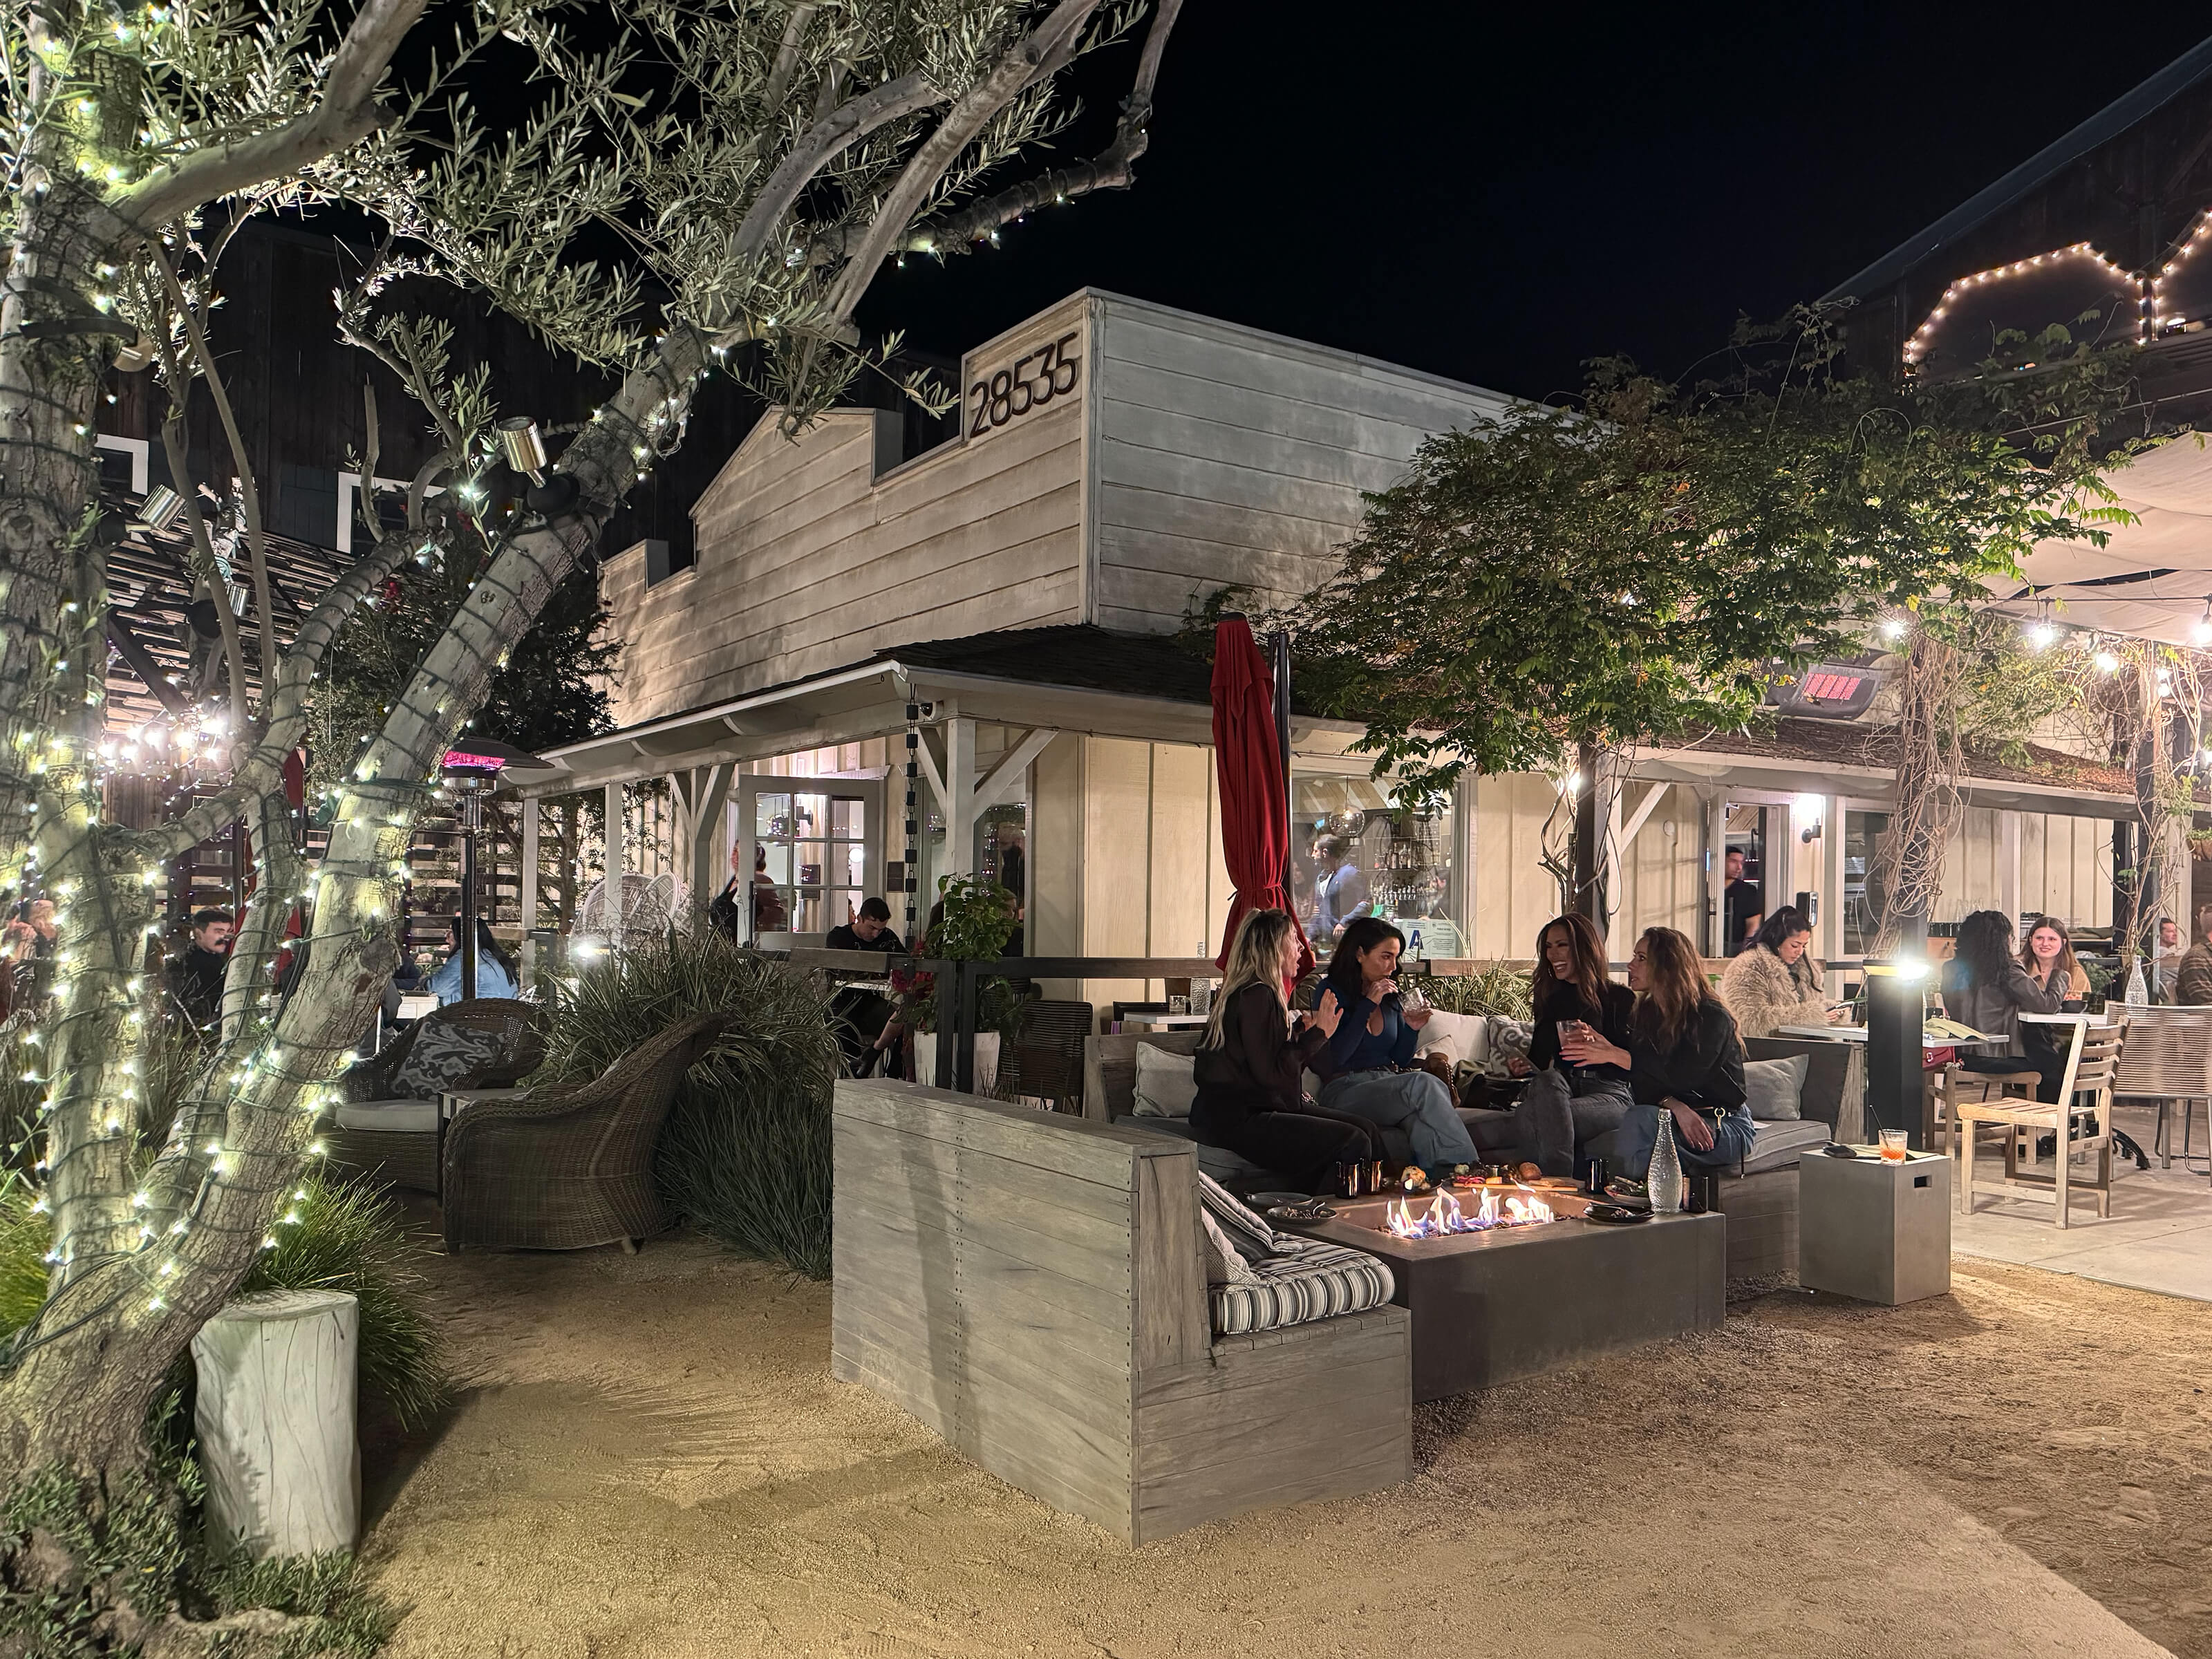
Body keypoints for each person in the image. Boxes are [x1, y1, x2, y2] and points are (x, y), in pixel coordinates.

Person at [1191, 908, 1380, 1192]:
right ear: (1273, 949)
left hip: (1262, 1106)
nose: (1301, 947)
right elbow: (1271, 1076)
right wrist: (1317, 1035)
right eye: (1293, 939)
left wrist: (1309, 1034)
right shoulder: (1255, 995)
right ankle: (1323, 1212)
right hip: (1239, 1119)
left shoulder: (1262, 994)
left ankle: (1384, 1198)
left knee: (1368, 1129)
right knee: (1354, 1141)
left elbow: (1288, 1065)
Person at [1568, 926, 1754, 1185]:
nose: (1631, 965)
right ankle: (1651, 1196)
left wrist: (1617, 1055)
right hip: (1675, 1117)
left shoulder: (1712, 1017)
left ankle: (1637, 1197)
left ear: (1668, 966)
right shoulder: (1647, 1015)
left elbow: (1684, 1076)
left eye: (1641, 958)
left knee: (1639, 1121)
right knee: (1642, 1119)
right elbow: (1643, 1088)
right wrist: (1676, 1107)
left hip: (1725, 1123)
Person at [1308, 917, 1479, 1179]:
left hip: (1387, 1084)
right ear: (1360, 954)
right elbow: (1337, 1058)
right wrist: (1367, 1004)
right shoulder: (1331, 992)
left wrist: (1412, 1028)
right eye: (1386, 957)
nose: (1393, 966)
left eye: (1396, 958)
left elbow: (1399, 1058)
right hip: (1344, 1090)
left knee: (1421, 1123)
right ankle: (1471, 1169)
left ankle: (1441, 1183)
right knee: (1423, 1083)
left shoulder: (1391, 998)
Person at [1499, 912, 1636, 1177]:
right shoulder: (1551, 1000)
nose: (1553, 954)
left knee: (1529, 1114)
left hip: (1610, 1093)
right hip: (1564, 1089)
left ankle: (1554, 1180)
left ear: (1583, 948)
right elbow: (1539, 1062)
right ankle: (1556, 1183)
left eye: (1562, 945)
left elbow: (1638, 1063)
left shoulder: (1619, 998)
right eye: (1549, 947)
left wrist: (1604, 1050)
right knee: (1548, 1079)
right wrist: (1522, 1067)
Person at [1940, 908, 2065, 1101]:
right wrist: (2060, 975)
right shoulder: (2006, 970)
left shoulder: (1951, 969)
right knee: (2055, 1066)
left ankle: (2022, 1112)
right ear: (2003, 940)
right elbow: (2047, 1005)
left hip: (1960, 1057)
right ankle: (2044, 1115)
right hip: (1999, 1057)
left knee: (2045, 1059)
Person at [1718, 906, 1841, 1040]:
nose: (1800, 952)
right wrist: (1811, 1016)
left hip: (1809, 1045)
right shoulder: (1748, 968)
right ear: (1777, 940)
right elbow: (1752, 1022)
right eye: (1795, 945)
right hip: (1765, 1047)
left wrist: (1832, 1011)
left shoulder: (1807, 969)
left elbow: (1818, 1005)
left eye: (1804, 946)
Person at [827, 898, 906, 1076]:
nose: (876, 934)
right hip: (840, 1000)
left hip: (869, 1001)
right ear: (859, 919)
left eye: (881, 929)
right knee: (843, 1032)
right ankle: (852, 1078)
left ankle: (893, 1075)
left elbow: (905, 962)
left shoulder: (888, 937)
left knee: (904, 1023)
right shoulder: (839, 937)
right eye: (872, 928)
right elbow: (837, 971)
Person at [165, 907, 233, 1034]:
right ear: (199, 933)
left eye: (227, 932)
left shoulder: (220, 959)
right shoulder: (184, 964)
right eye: (218, 931)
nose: (225, 937)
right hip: (194, 1027)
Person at [427, 917, 520, 1004]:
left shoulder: (466, 956)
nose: (447, 938)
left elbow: (436, 989)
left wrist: (423, 980)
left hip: (479, 1013)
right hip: (501, 1012)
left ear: (462, 935)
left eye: (451, 932)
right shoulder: (491, 955)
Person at [1309, 836, 1369, 945]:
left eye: (1316, 851)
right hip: (1326, 941)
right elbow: (1321, 911)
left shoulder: (1350, 874)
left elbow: (1366, 904)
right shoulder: (1322, 877)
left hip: (1346, 940)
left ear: (1325, 853)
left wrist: (1344, 922)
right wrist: (1310, 936)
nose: (1313, 855)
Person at [1721, 847, 1761, 957]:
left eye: (1741, 863)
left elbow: (1753, 923)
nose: (1739, 867)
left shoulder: (1747, 891)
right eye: (1733, 862)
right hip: (1708, 942)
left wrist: (1745, 952)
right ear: (1721, 860)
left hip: (1736, 946)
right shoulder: (1708, 888)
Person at [2153, 915, 2186, 1000]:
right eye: (2170, 931)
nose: (2175, 934)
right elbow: (2189, 974)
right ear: (2159, 935)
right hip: (2182, 1003)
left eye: (2175, 931)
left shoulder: (2161, 954)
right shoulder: (2164, 956)